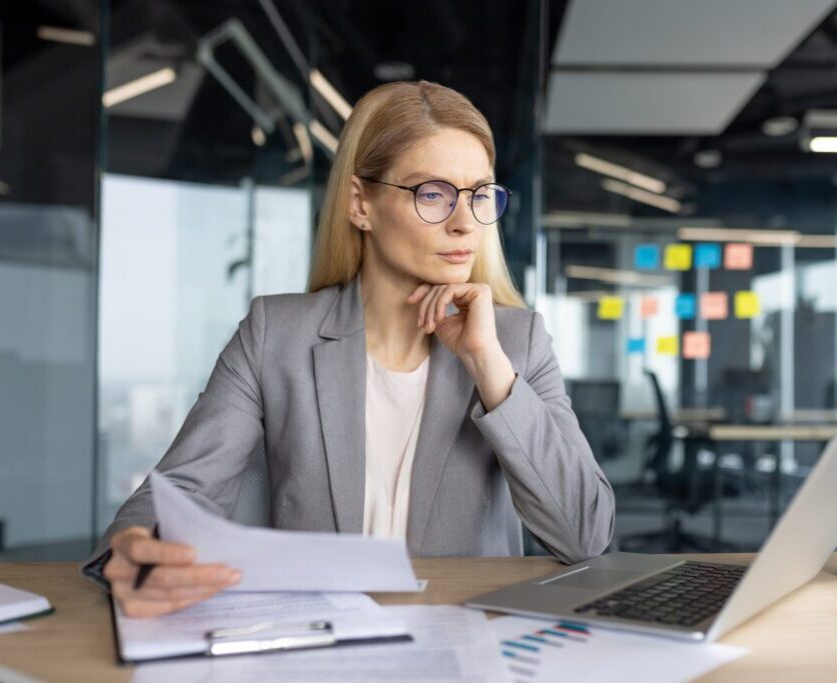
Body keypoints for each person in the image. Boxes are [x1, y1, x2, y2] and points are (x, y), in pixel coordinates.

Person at [84, 80, 615, 617]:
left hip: (467, 644)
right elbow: (179, 491)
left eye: (479, 194)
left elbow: (585, 535)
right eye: (433, 193)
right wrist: (133, 549)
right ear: (361, 203)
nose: (464, 221)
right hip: (316, 640)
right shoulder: (277, 334)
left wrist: (488, 366)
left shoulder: (517, 343)